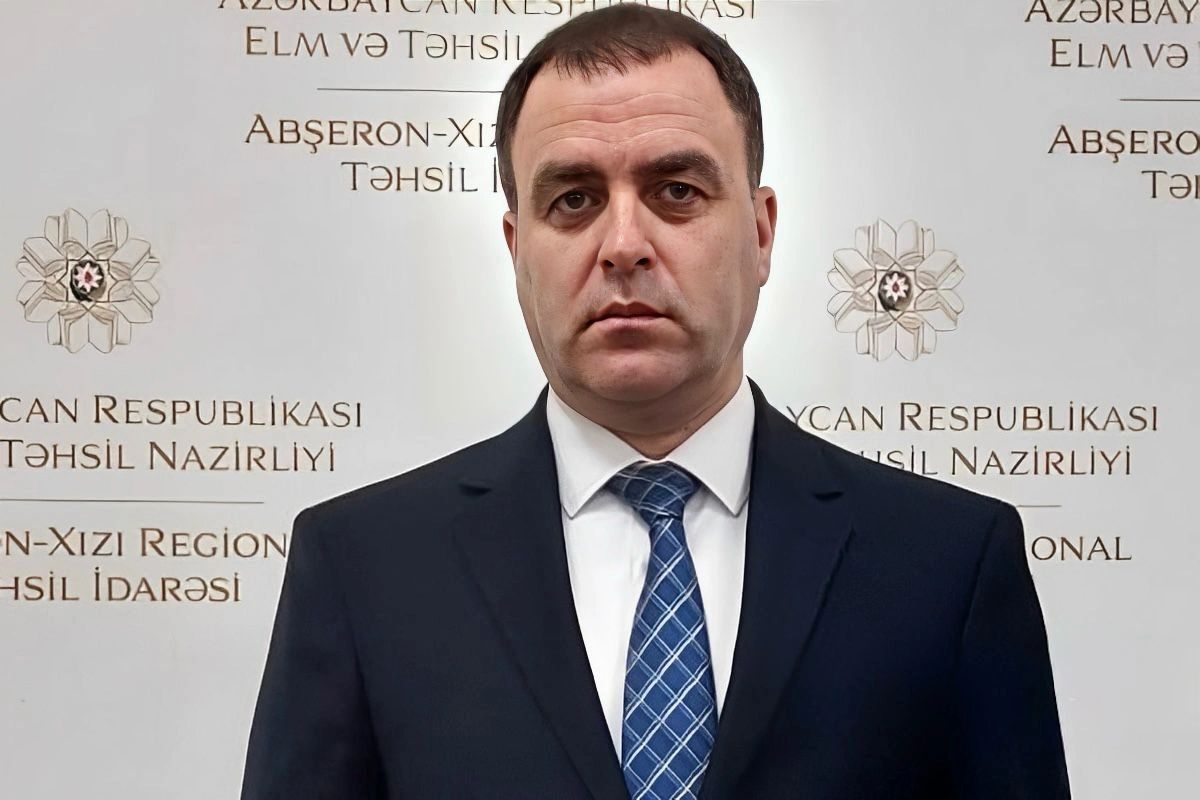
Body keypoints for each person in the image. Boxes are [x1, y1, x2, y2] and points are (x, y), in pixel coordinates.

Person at [240, 5, 1071, 798]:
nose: (624, 245)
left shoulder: (947, 564)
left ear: (760, 233)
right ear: (517, 249)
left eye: (676, 191)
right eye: (573, 199)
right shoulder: (362, 570)